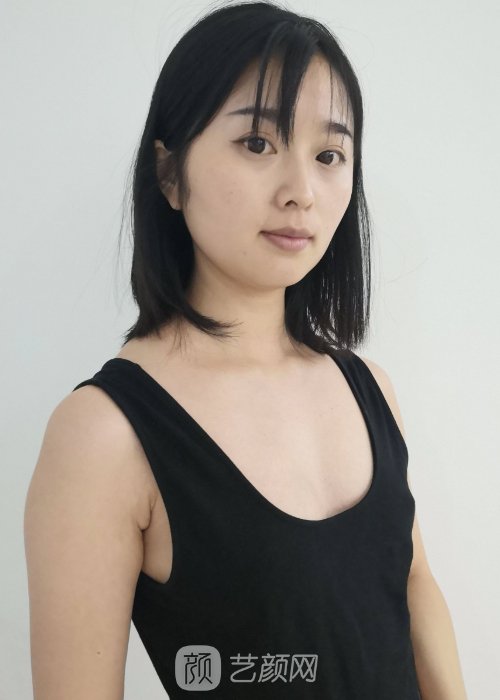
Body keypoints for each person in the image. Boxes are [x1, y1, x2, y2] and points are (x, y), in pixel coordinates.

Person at [23, 2, 468, 698]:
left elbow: (414, 589)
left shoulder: (369, 388)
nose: (301, 192)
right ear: (169, 174)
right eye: (257, 143)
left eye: (329, 155)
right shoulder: (104, 435)